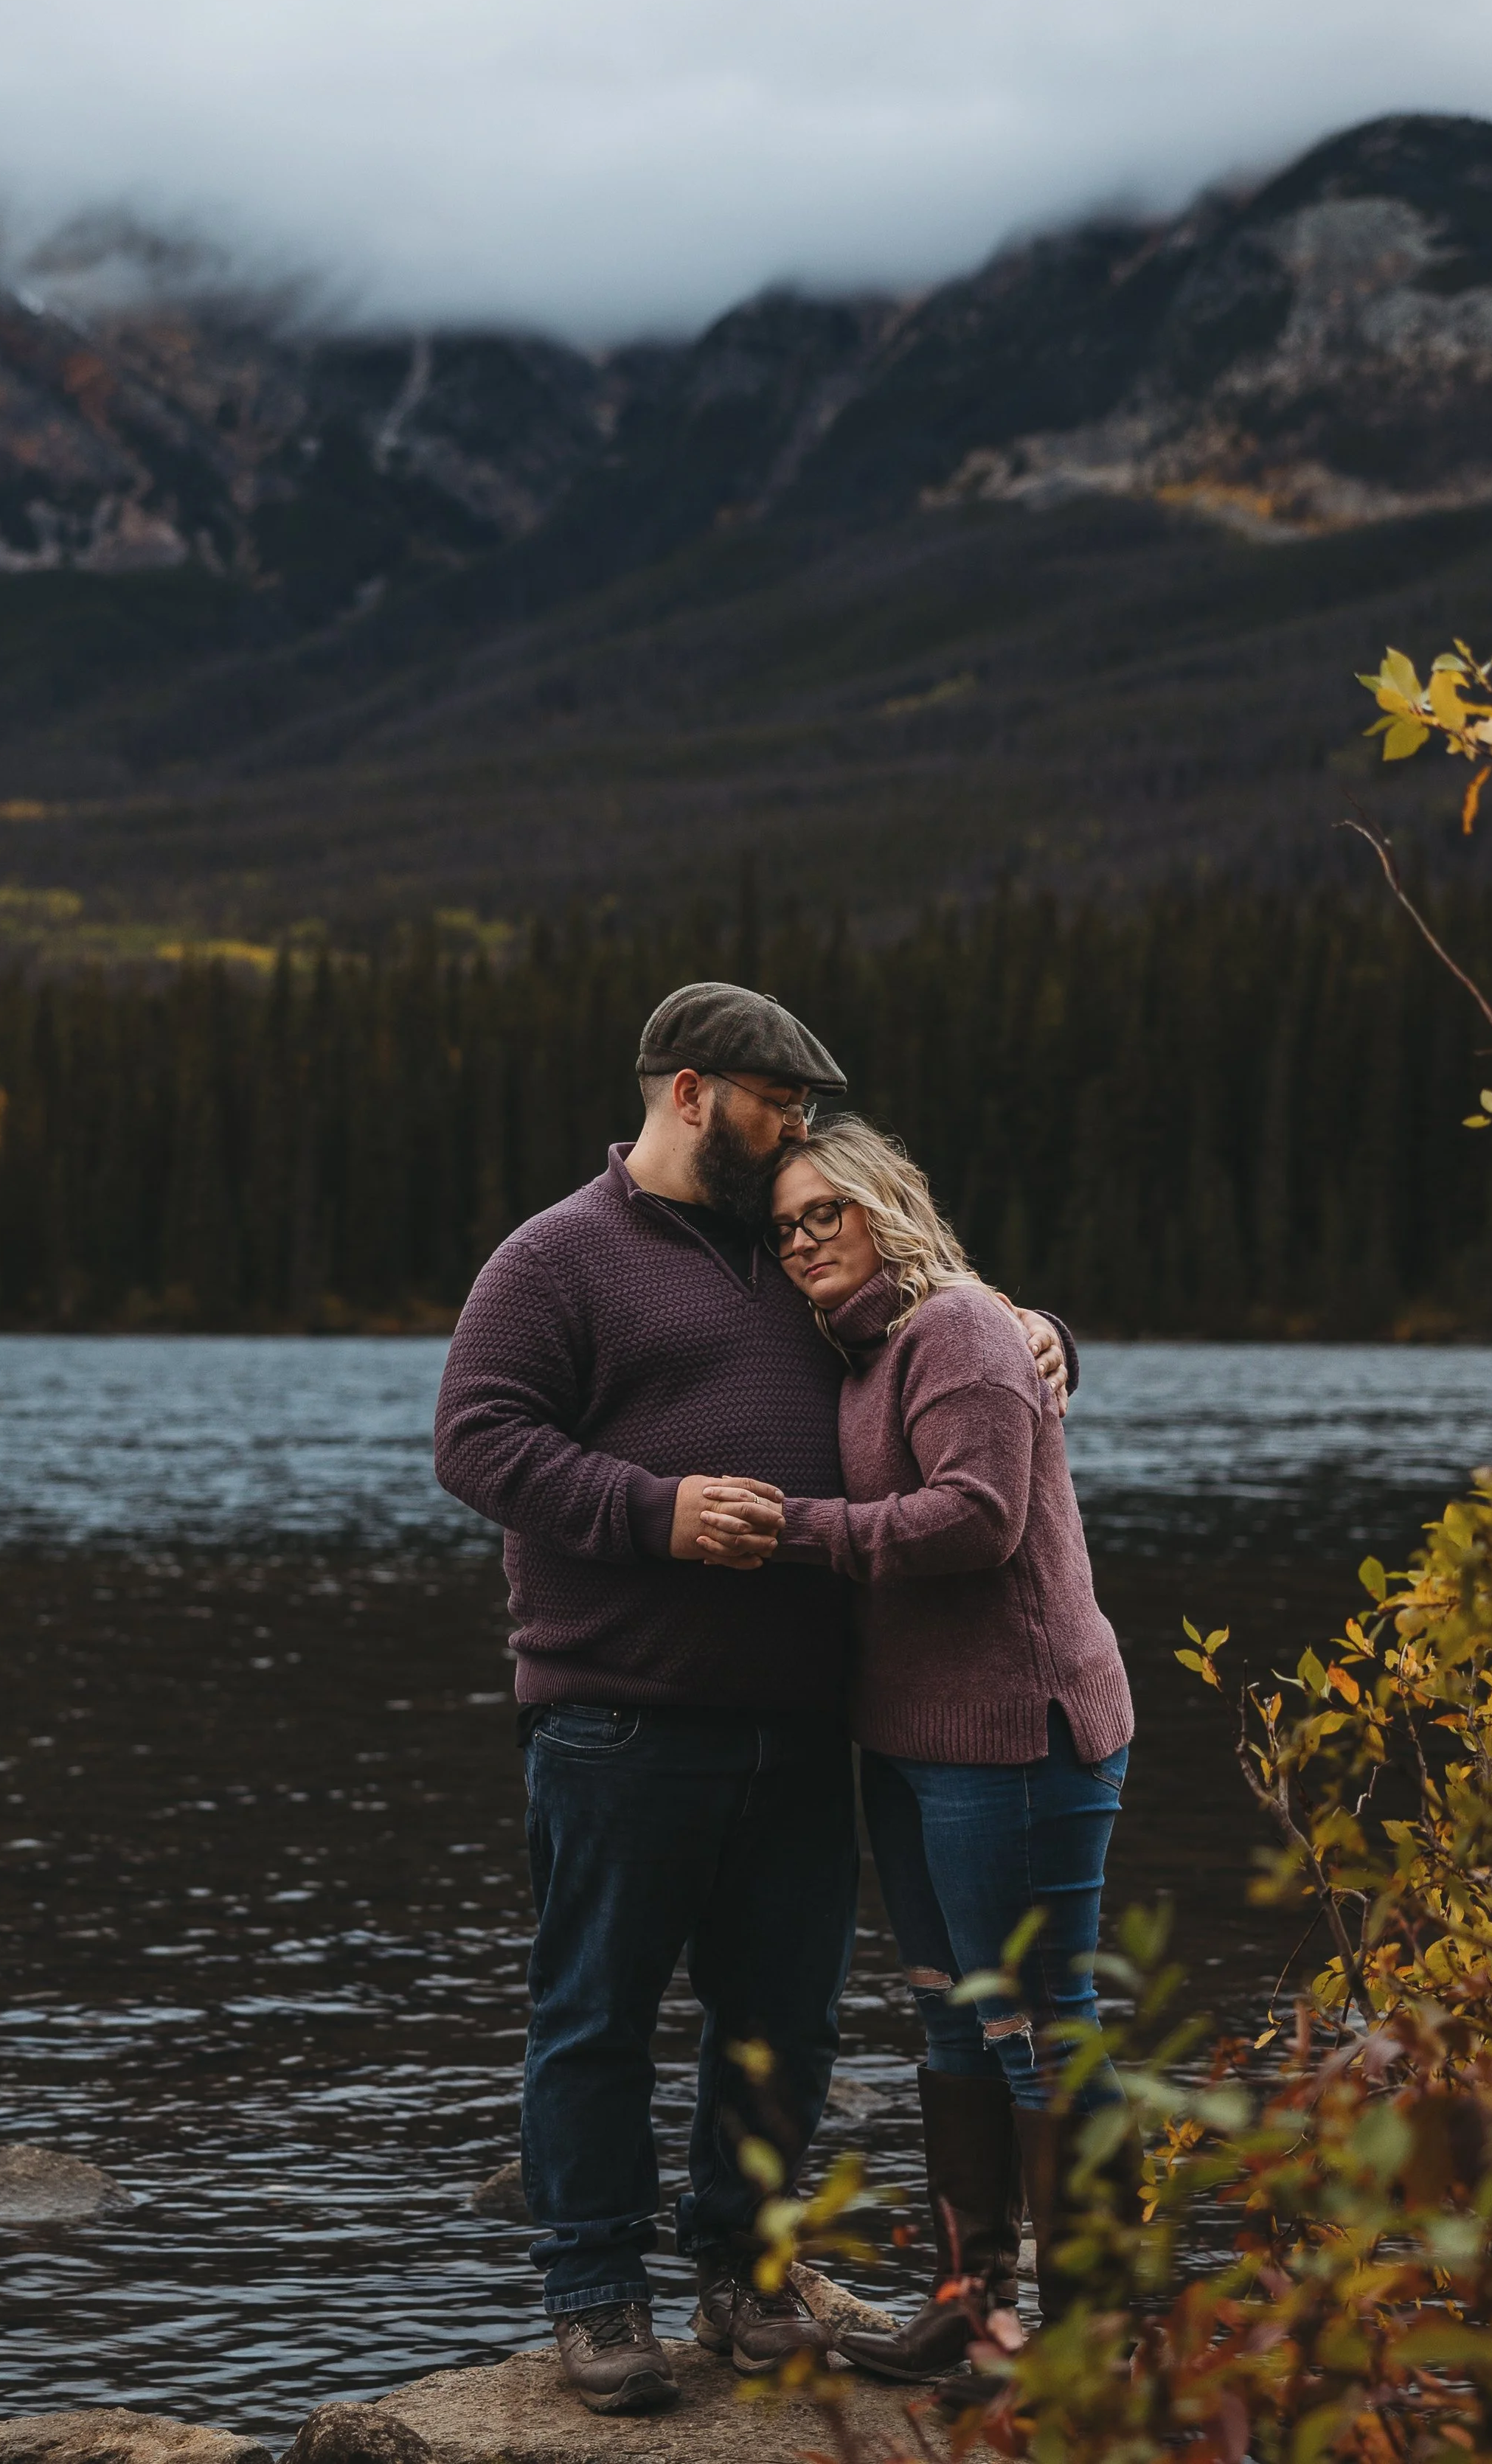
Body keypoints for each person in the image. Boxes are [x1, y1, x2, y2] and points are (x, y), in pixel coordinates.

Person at [432, 984, 1071, 2415]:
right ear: (688, 1094)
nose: (798, 1130)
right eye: (776, 1103)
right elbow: (475, 1442)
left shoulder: (798, 1252)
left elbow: (946, 1328)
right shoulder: (555, 1259)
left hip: (800, 1719)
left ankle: (744, 2277)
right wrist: (654, 1513)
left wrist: (1042, 1336)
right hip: (615, 1716)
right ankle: (598, 2299)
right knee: (593, 2014)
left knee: (781, 2017)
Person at [693, 1117, 1134, 2384]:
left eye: (822, 1213)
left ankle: (1093, 2338)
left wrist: (799, 1532)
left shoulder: (958, 1328)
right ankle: (974, 2310)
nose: (802, 1242)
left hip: (1023, 1735)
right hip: (911, 1743)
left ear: (886, 1203)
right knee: (952, 2023)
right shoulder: (862, 1346)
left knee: (1045, 2021)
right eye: (782, 1229)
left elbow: (981, 1520)